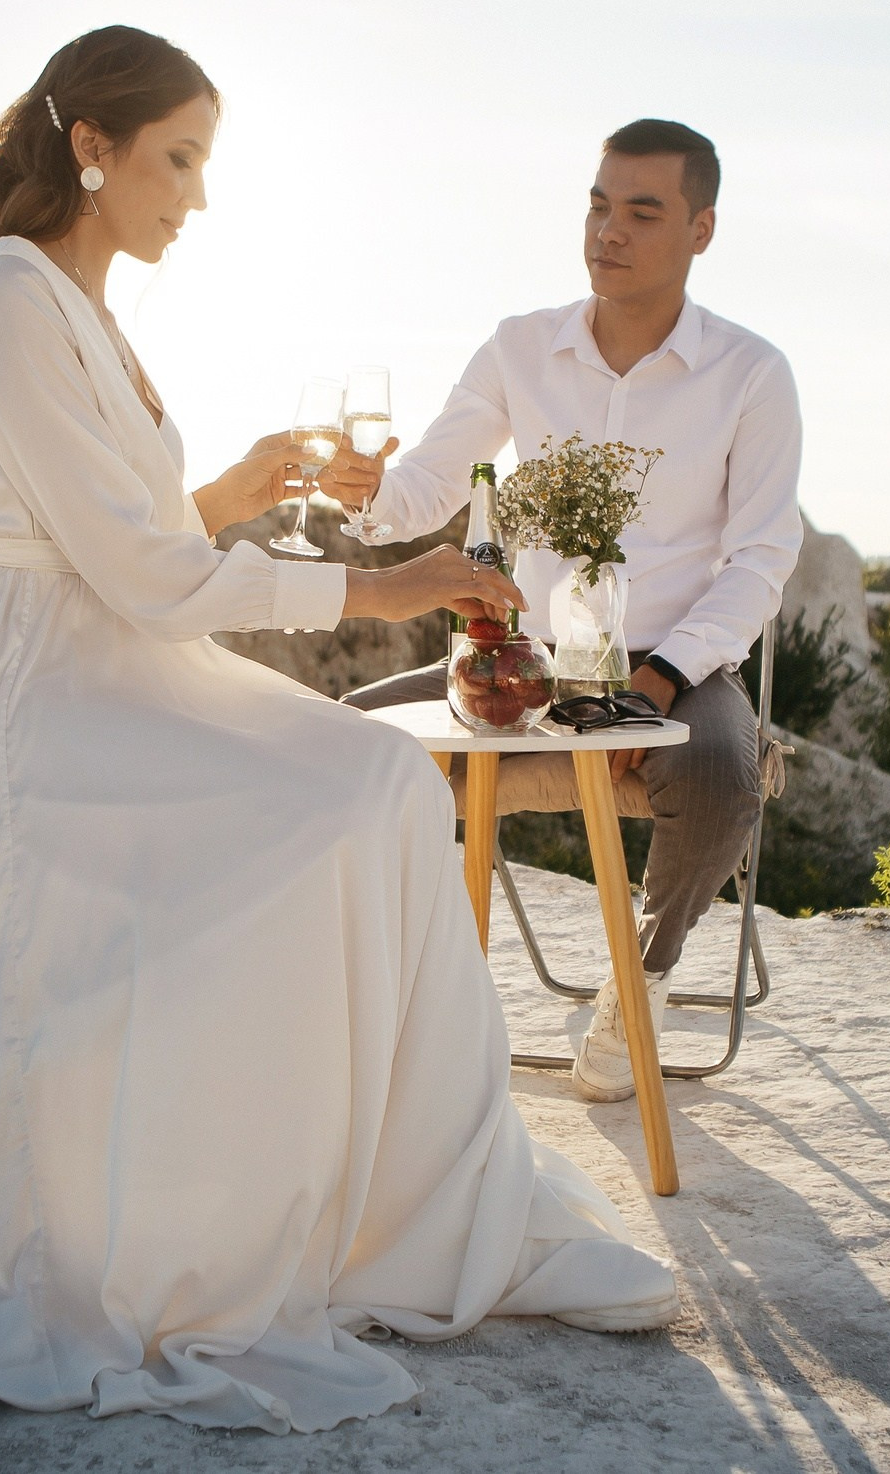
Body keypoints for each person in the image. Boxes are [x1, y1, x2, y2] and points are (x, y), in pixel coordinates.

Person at [0, 27, 677, 1436]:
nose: (195, 193)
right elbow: (131, 578)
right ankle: (257, 1209)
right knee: (351, 796)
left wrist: (242, 484)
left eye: (204, 162)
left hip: (97, 654)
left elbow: (130, 540)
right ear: (94, 147)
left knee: (376, 781)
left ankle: (382, 1198)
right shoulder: (11, 299)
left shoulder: (77, 298)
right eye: (178, 159)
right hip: (32, 695)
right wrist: (386, 578)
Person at [324, 119, 803, 1104]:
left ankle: (639, 987)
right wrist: (361, 489)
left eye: (641, 211)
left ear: (700, 229)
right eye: (597, 203)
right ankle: (372, 1003)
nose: (607, 230)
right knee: (334, 749)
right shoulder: (518, 348)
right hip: (523, 674)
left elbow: (761, 560)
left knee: (721, 774)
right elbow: (417, 492)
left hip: (674, 670)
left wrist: (656, 682)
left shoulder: (752, 374)